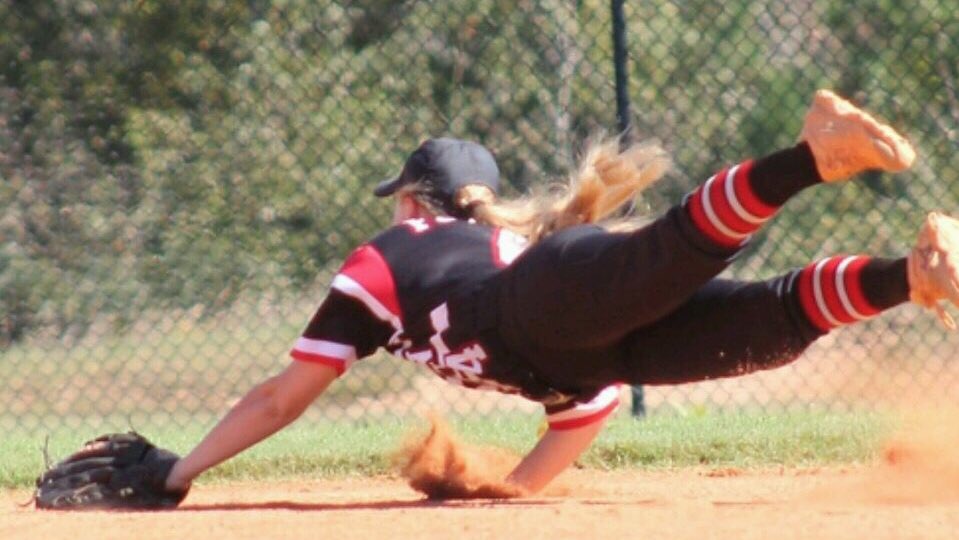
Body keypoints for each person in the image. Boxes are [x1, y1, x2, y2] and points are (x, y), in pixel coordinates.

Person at [162, 90, 958, 497]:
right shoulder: (475, 248)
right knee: (768, 324)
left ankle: (809, 153)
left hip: (543, 305)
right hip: (594, 357)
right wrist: (488, 496)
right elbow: (565, 437)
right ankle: (909, 276)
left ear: (414, 202)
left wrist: (177, 473)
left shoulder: (387, 255)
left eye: (400, 197)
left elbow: (279, 400)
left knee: (674, 256)